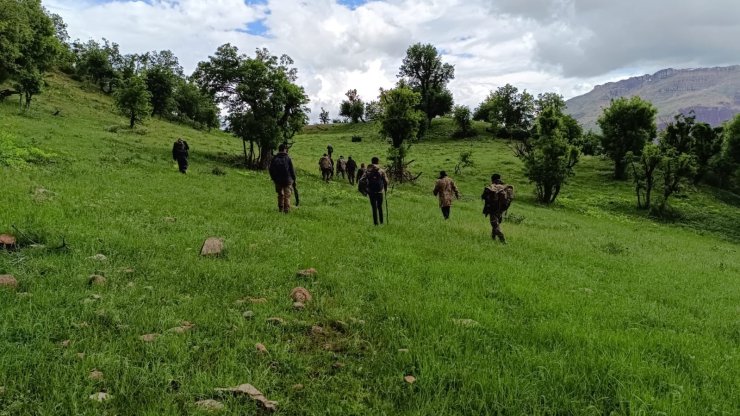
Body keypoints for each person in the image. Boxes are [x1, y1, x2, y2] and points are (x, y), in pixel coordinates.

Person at [481, 173, 513, 243]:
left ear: (492, 179)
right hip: (501, 210)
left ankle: (503, 240)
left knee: (495, 225)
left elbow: (483, 196)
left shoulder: (492, 187)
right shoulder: (504, 187)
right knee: (496, 224)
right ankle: (493, 238)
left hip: (493, 209)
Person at [359, 157, 388, 225]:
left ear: (371, 162)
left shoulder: (368, 171)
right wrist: (385, 189)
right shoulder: (381, 171)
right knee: (380, 207)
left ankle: (376, 223)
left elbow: (361, 180)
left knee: (374, 207)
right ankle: (381, 222)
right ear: (378, 162)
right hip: (380, 191)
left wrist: (365, 190)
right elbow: (386, 181)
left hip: (371, 191)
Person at [269, 143, 297, 213]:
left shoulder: (275, 158)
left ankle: (280, 208)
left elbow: (270, 169)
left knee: (280, 194)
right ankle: (286, 210)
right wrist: (294, 178)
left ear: (279, 149)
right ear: (285, 150)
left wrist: (273, 178)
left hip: (277, 180)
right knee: (287, 195)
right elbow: (291, 170)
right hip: (287, 180)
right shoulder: (288, 158)